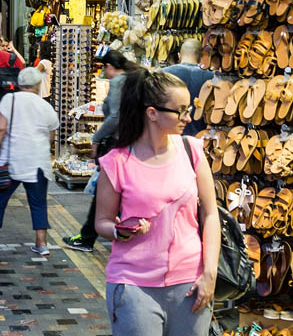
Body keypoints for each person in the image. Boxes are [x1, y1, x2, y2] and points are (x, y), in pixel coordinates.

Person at [94, 69, 219, 336]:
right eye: (181, 110)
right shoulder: (117, 162)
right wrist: (118, 230)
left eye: (190, 109)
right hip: (132, 286)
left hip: (190, 284)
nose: (189, 117)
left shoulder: (192, 150)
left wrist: (210, 273)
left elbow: (210, 214)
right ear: (152, 113)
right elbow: (102, 222)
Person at [0, 66, 59, 257]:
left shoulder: (10, 99)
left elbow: (0, 129)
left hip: (12, 160)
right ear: (38, 85)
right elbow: (51, 136)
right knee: (38, 203)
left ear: (19, 83)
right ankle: (41, 243)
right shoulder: (46, 106)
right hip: (38, 162)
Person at [64, 50, 136, 253]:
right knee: (118, 192)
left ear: (109, 66)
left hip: (117, 143)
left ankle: (87, 237)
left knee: (105, 192)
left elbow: (114, 117)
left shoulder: (118, 82)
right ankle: (111, 233)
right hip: (131, 142)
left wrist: (96, 139)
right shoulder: (133, 79)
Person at [160, 39, 213, 136]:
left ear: (179, 55)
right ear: (201, 57)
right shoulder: (211, 77)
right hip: (200, 136)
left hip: (169, 136)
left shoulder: (163, 74)